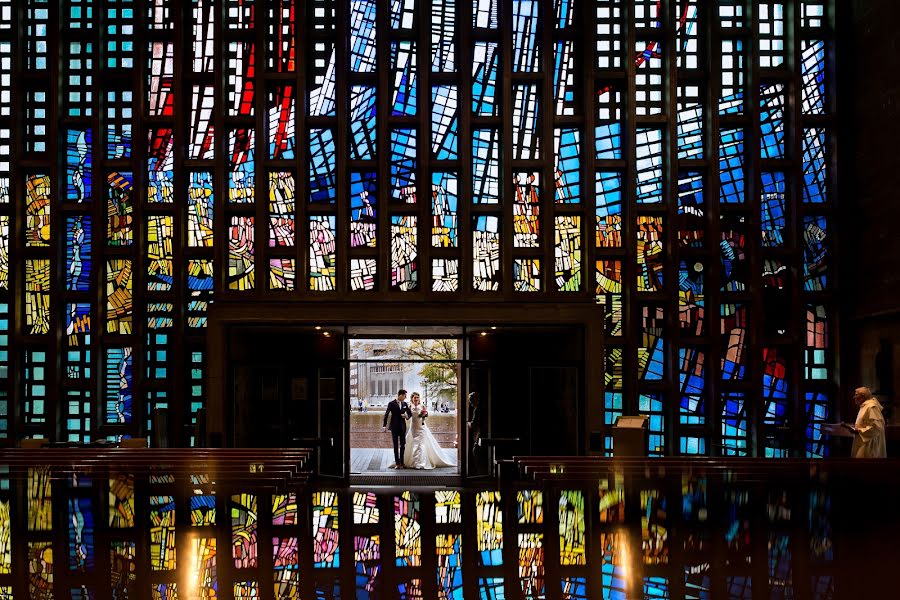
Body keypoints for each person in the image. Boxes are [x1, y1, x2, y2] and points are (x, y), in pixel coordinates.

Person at [403, 392, 457, 469]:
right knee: (414, 442)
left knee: (420, 444)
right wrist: (404, 416)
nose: (416, 399)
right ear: (412, 398)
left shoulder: (422, 406)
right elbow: (408, 416)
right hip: (413, 427)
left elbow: (426, 414)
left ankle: (419, 463)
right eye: (415, 397)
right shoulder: (409, 406)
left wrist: (423, 414)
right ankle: (414, 462)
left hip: (421, 427)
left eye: (417, 397)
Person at [851, 387, 886, 458]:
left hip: (870, 444)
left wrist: (859, 430)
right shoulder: (864, 406)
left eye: (856, 395)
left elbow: (877, 427)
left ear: (863, 396)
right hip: (863, 440)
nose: (854, 397)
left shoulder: (871, 407)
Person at [383, 389, 412, 468]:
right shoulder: (391, 403)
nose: (405, 398)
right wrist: (384, 425)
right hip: (394, 427)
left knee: (403, 445)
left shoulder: (405, 404)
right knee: (395, 445)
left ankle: (402, 463)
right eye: (404, 396)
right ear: (400, 395)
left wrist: (406, 416)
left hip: (403, 427)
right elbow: (386, 414)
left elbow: (410, 413)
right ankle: (397, 463)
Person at [467, 392, 487, 473]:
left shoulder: (477, 409)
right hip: (480, 434)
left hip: (480, 434)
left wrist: (468, 423)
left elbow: (474, 423)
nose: (470, 402)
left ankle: (480, 471)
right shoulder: (481, 408)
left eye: (471, 400)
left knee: (476, 451)